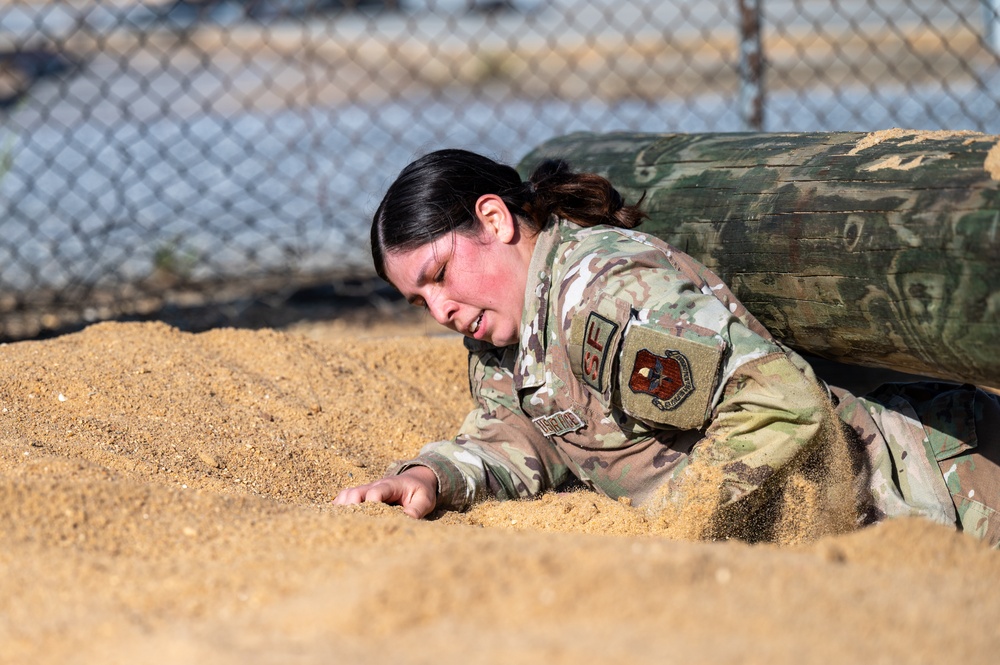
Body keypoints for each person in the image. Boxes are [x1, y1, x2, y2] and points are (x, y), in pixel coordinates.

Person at [334, 148, 1000, 547]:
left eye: (440, 275)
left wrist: (680, 526)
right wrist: (427, 477)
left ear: (495, 219)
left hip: (930, 491)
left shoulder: (603, 294)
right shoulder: (508, 333)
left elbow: (778, 401)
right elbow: (516, 435)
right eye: (419, 302)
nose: (441, 310)